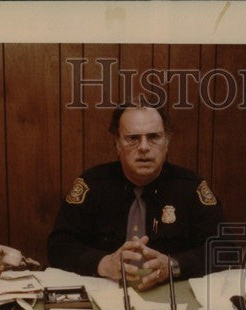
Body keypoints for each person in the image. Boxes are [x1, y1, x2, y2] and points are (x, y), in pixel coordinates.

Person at [47, 103, 224, 291]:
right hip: (105, 293)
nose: (144, 147)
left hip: (172, 293)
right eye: (133, 138)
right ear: (117, 143)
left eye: (154, 137)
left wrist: (174, 265)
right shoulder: (92, 185)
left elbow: (223, 248)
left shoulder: (190, 187)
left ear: (167, 142)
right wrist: (103, 263)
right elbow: (58, 246)